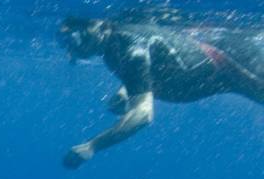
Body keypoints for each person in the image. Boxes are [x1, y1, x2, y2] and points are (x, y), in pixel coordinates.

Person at [58, 16, 264, 169]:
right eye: (65, 42)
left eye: (75, 37)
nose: (72, 47)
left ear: (99, 24)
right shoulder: (112, 49)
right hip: (214, 71)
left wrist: (92, 146)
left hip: (232, 64)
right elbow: (150, 67)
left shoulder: (128, 46)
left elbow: (143, 115)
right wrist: (127, 91)